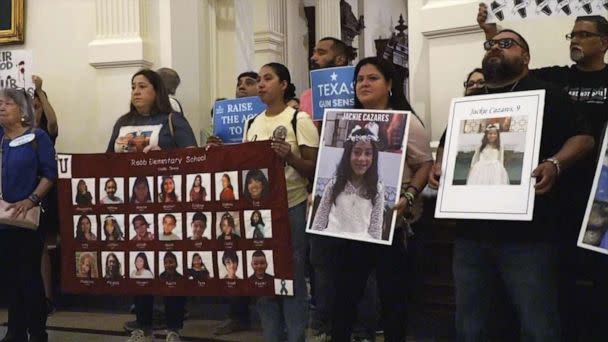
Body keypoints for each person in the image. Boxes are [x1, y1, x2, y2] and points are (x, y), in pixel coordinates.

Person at [449, 29, 594, 341]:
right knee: (470, 324)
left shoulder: (549, 93)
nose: (495, 48)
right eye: (490, 44)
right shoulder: (471, 102)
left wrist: (556, 163)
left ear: (526, 57)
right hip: (471, 234)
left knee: (537, 323)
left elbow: (584, 139)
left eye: (506, 44)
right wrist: (438, 167)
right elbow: (449, 149)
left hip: (530, 235)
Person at [327, 57, 432, 341]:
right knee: (344, 299)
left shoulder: (406, 122)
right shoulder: (345, 121)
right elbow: (335, 168)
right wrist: (323, 198)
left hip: (392, 225)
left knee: (393, 299)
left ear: (389, 85)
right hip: (350, 225)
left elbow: (425, 164)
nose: (364, 83)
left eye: (372, 78)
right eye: (360, 79)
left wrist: (409, 196)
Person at [106, 69, 196, 342]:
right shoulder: (123, 122)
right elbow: (108, 160)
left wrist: (166, 157)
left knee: (170, 263)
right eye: (133, 86)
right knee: (139, 263)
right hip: (134, 206)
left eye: (142, 86)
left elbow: (194, 159)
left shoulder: (173, 120)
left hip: (168, 206)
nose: (136, 91)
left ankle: (173, 327)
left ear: (157, 91)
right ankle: (141, 325)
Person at [241, 62, 319, 342]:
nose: (261, 84)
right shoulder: (252, 123)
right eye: (259, 80)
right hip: (258, 214)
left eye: (268, 79)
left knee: (292, 275)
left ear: (284, 85)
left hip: (291, 208)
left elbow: (315, 170)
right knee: (264, 276)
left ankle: (296, 336)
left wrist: (291, 158)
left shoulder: (299, 120)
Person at [0, 88, 57, 342]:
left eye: (8, 103)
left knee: (29, 276)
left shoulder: (37, 137)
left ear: (22, 110)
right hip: (2, 218)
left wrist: (31, 198)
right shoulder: (0, 139)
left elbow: (49, 175)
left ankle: (37, 332)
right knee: (10, 276)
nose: (1, 106)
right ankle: (15, 331)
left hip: (28, 217)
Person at [311, 126, 385, 240]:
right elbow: (319, 221)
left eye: (368, 153)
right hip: (332, 241)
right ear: (348, 154)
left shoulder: (377, 189)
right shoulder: (334, 184)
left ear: (373, 157)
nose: (362, 159)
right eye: (357, 152)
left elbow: (376, 230)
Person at [429, 68, 486, 189]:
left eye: (481, 82)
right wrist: (438, 164)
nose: (475, 86)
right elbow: (443, 145)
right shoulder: (459, 114)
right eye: (470, 84)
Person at [32, 74, 60, 317]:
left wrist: (40, 90)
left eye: (37, 106)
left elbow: (53, 122)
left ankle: (47, 298)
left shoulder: (44, 134)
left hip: (43, 194)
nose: (33, 111)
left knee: (41, 246)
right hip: (14, 194)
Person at [300, 37, 358, 116]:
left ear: (340, 60)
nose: (313, 57)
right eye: (314, 53)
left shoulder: (357, 91)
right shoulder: (307, 96)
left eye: (321, 53)